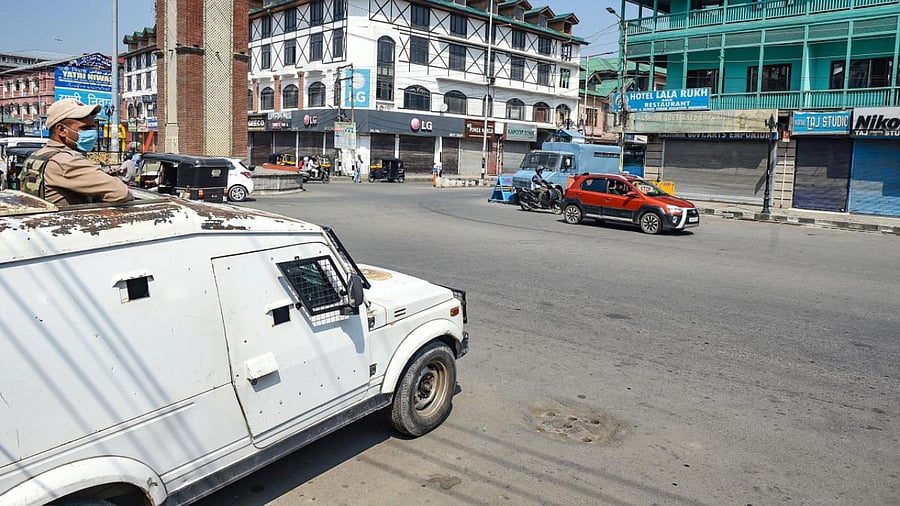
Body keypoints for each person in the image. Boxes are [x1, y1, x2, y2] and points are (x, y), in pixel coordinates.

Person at [19, 99, 132, 206]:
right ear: (62, 130)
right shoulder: (67, 161)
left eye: (93, 127)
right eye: (86, 128)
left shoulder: (39, 155)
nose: (92, 132)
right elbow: (121, 193)